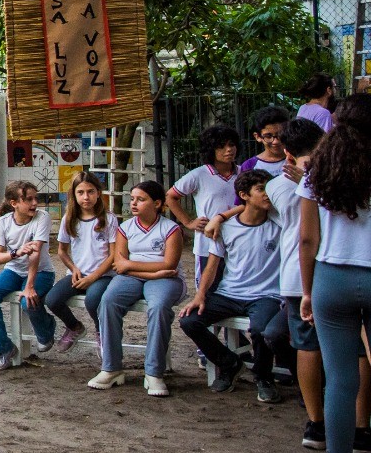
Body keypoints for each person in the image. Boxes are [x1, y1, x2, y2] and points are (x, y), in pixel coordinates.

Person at [244, 118, 371, 453]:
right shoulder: (342, 172)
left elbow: (301, 236)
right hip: (338, 267)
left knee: (308, 347)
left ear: (286, 151)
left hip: (300, 276)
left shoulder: (278, 186)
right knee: (357, 352)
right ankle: (359, 428)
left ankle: (316, 424)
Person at [298, 93, 371, 453]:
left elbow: (308, 239)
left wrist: (308, 291)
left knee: (341, 381)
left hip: (332, 277)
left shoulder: (318, 171)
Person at [178, 169, 284, 401]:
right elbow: (212, 265)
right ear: (244, 195)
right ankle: (230, 363)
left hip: (266, 295)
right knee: (189, 320)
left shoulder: (279, 221)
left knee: (260, 330)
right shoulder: (226, 227)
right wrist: (200, 295)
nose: (267, 194)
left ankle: (263, 376)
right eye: (261, 189)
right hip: (229, 293)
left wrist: (220, 215)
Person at [92, 180, 185, 397]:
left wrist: (140, 269)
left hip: (165, 279)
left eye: (141, 200)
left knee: (159, 307)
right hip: (136, 278)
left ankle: (154, 373)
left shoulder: (171, 229)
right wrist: (154, 272)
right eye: (132, 199)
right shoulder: (125, 228)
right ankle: (111, 367)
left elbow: (169, 265)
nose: (134, 204)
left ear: (158, 203)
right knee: (108, 301)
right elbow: (119, 264)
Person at [0, 179, 56, 371]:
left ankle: (46, 330)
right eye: (28, 199)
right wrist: (16, 253)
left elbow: (35, 254)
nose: (34, 203)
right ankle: (3, 348)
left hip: (41, 272)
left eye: (35, 198)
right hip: (13, 270)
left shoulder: (42, 217)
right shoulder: (3, 222)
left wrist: (30, 286)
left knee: (27, 301)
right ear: (14, 203)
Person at [45, 170, 118, 354]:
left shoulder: (109, 219)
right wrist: (73, 268)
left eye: (91, 191)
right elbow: (62, 251)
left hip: (102, 275)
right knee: (52, 299)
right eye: (81, 192)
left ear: (98, 193)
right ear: (74, 195)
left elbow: (113, 255)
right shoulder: (68, 219)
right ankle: (74, 326)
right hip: (77, 274)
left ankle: (101, 332)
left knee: (93, 300)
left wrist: (93, 277)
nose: (86, 197)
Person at [168, 124, 240, 285]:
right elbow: (171, 196)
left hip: (238, 240)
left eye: (232, 144)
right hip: (208, 242)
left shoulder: (242, 174)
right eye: (221, 146)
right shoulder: (199, 174)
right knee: (208, 288)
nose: (229, 150)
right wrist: (188, 222)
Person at [239, 106, 291, 177]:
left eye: (280, 135)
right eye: (268, 136)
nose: (275, 141)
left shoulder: (298, 159)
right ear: (258, 137)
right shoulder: (250, 166)